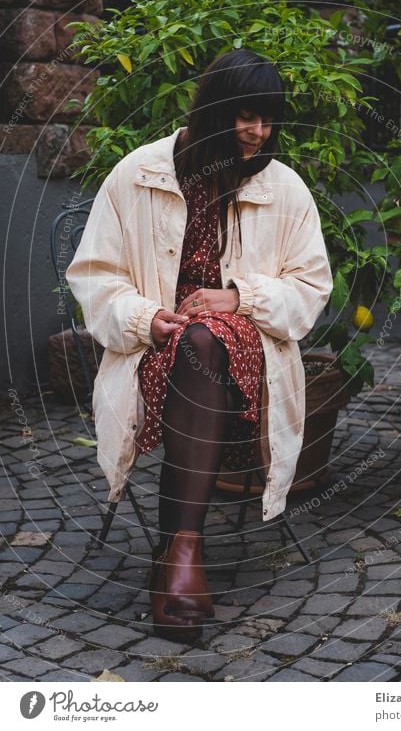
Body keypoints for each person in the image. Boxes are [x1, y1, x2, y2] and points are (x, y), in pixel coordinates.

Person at [66, 48, 333, 642]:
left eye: (267, 118)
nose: (257, 131)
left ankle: (177, 551)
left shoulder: (284, 188)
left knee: (206, 339)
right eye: (244, 114)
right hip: (152, 349)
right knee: (193, 340)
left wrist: (238, 298)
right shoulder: (137, 175)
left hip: (249, 356)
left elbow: (311, 289)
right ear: (213, 107)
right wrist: (144, 317)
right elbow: (95, 277)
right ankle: (183, 554)